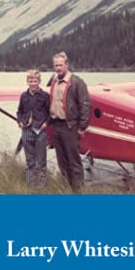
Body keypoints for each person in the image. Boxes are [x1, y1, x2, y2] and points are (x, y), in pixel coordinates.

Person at [49, 52, 91, 192]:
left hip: (70, 126)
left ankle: (78, 191)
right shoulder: (54, 81)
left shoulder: (77, 82)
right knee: (62, 162)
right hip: (56, 126)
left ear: (66, 64)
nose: (58, 68)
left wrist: (82, 127)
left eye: (61, 65)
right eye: (56, 65)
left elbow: (85, 105)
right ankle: (66, 190)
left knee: (74, 162)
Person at [16, 70, 50, 188]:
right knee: (30, 161)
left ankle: (41, 187)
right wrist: (19, 121)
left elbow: (50, 113)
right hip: (26, 130)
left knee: (41, 161)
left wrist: (46, 123)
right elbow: (19, 111)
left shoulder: (45, 96)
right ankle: (30, 185)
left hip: (40, 130)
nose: (33, 83)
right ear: (27, 81)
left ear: (39, 82)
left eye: (35, 81)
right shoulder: (23, 96)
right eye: (31, 81)